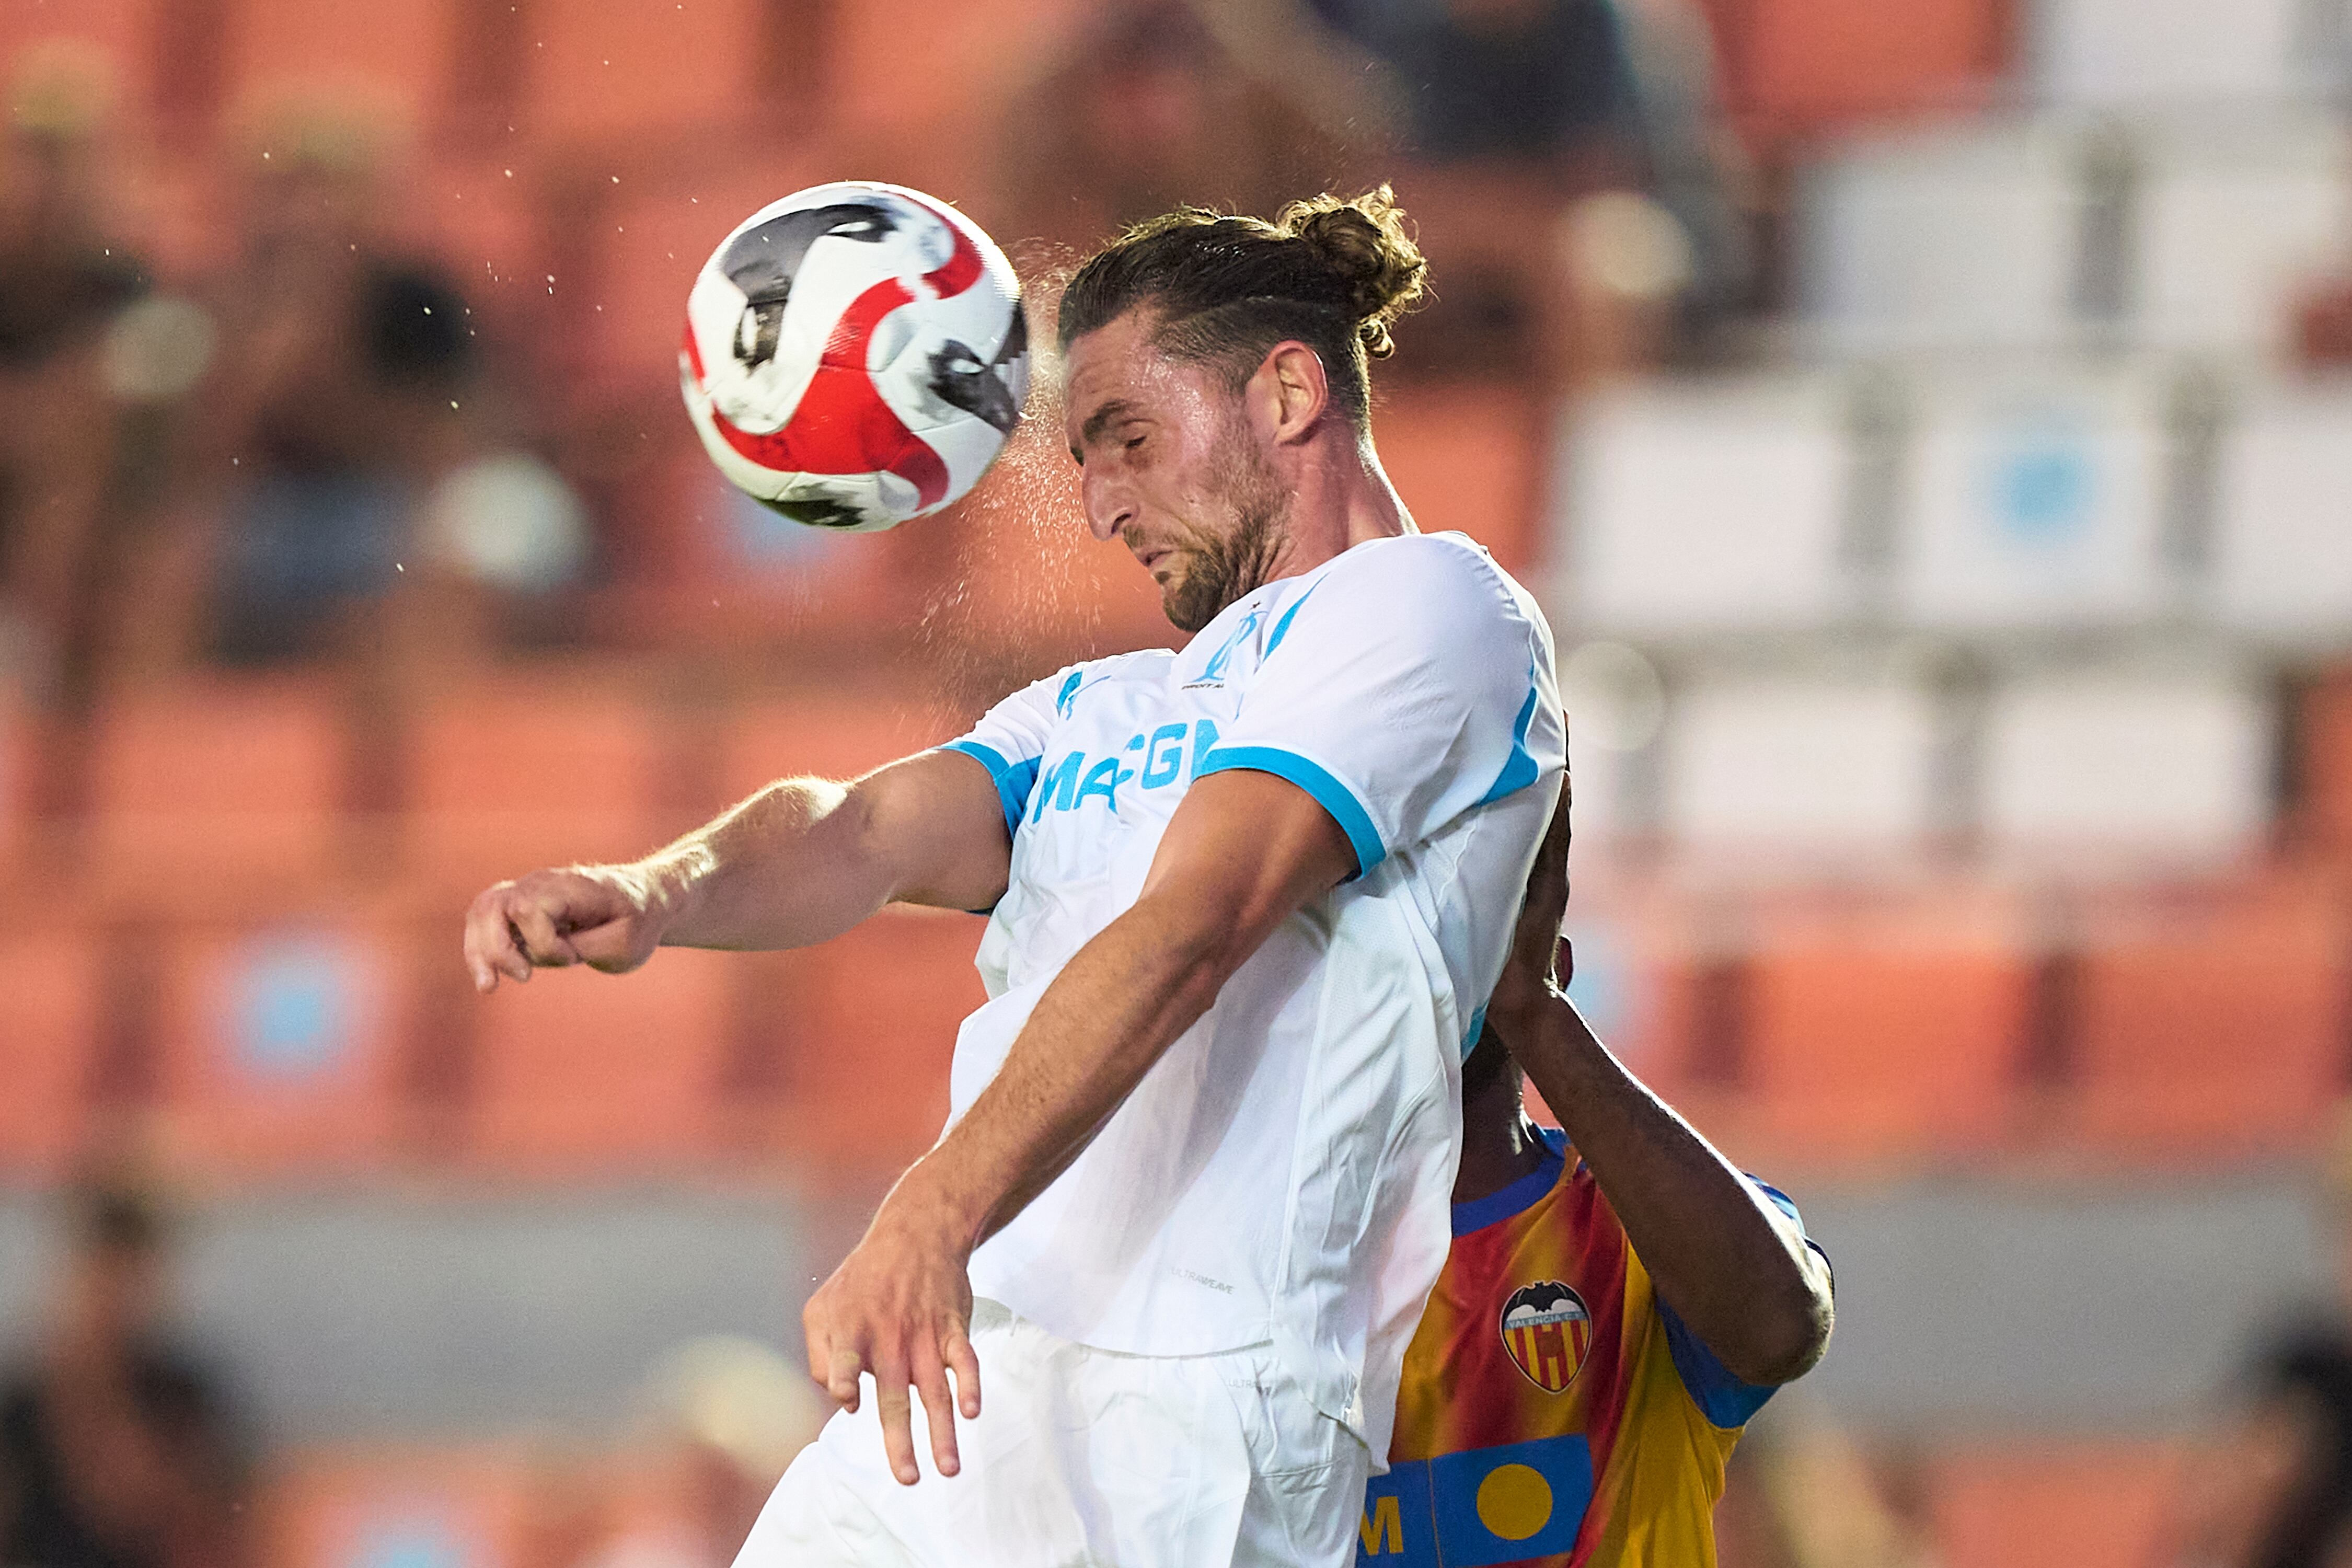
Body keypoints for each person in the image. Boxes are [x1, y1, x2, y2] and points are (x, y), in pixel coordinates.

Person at [462, 186, 1566, 1567]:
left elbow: (1194, 926)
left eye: (1127, 440)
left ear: (1288, 392)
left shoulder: (1431, 613)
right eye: (1084, 458)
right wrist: (661, 888)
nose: (1099, 504)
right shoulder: (1103, 704)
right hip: (971, 1381)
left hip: (1209, 1411)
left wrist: (932, 1207)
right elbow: (858, 832)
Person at [1361, 795, 1835, 1565]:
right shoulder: (1275, 1252)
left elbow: (1779, 1329)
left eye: (1468, 926)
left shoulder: (1643, 1228)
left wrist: (1533, 1011)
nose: (1435, 964)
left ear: (1557, 964)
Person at [0, 1178, 250, 1568]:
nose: (111, 1297)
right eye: (100, 1272)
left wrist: (92, 1391)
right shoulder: (24, 1401)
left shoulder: (182, 1395)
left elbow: (155, 1513)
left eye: (127, 1275)